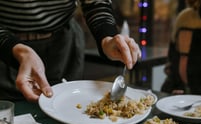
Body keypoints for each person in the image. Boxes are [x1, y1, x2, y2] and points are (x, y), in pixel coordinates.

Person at [0, 0, 141, 102]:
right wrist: (18, 51)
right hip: (5, 49)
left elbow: (95, 3)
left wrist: (107, 37)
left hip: (64, 46)